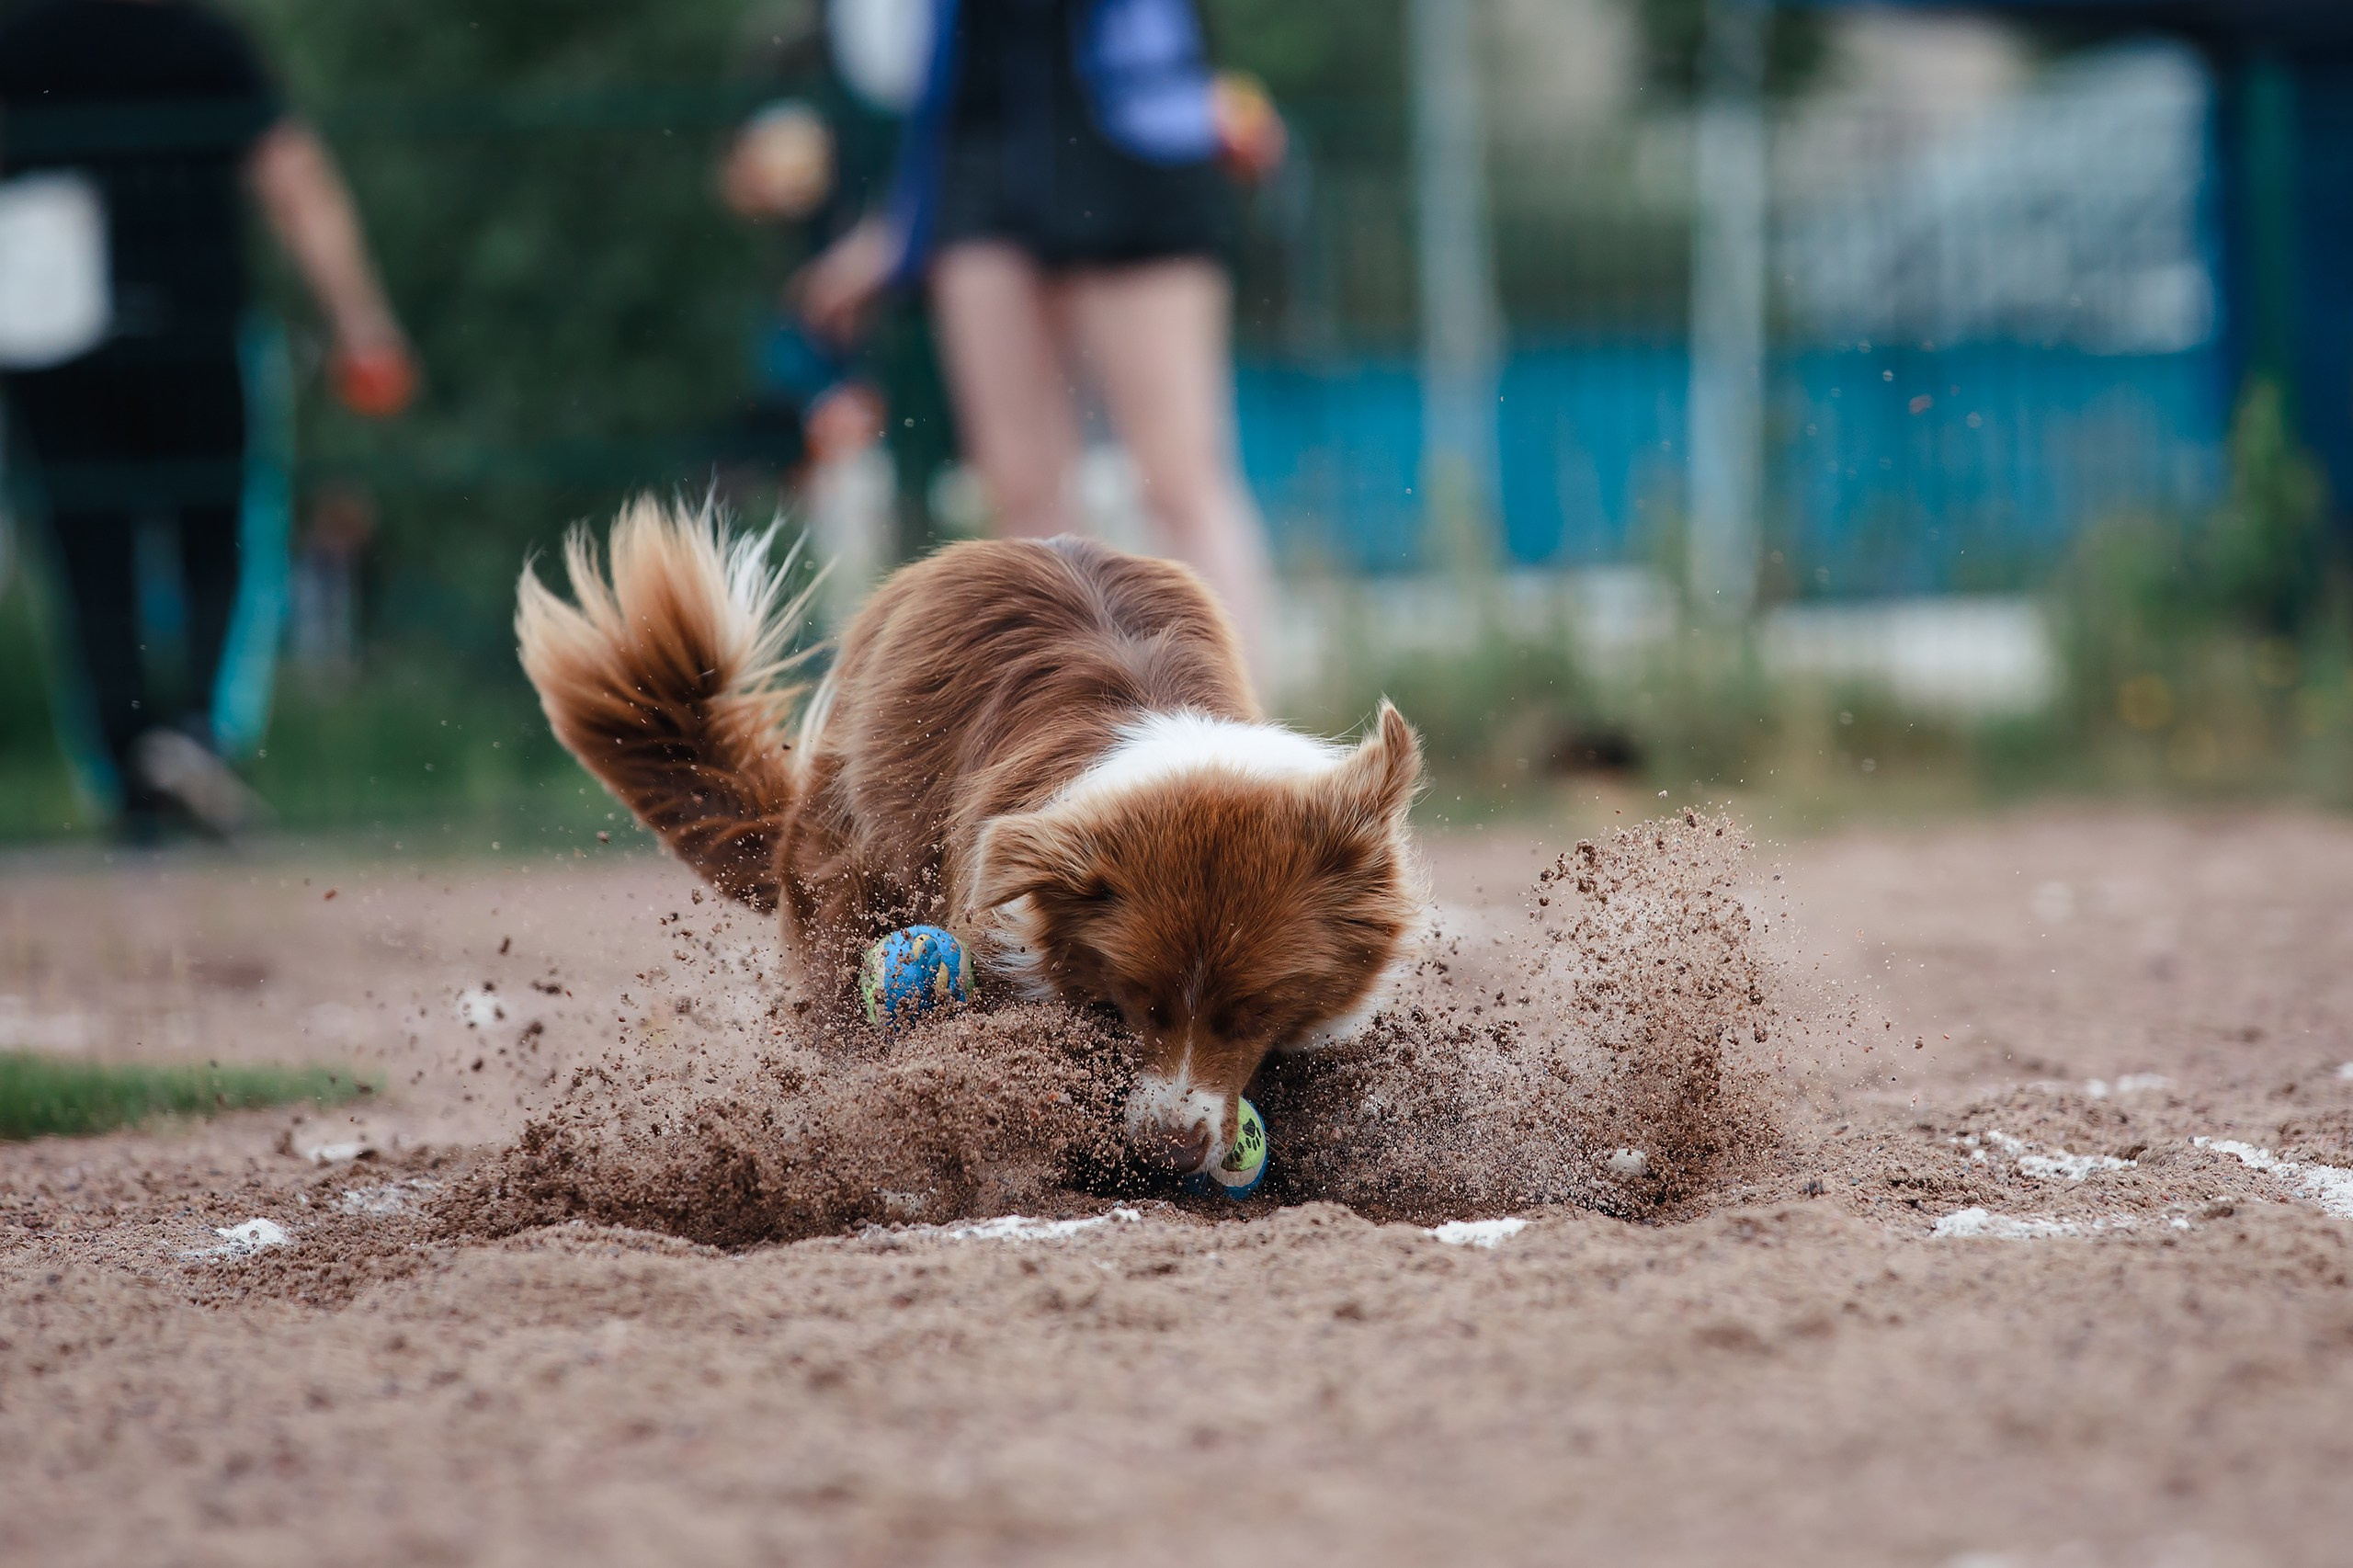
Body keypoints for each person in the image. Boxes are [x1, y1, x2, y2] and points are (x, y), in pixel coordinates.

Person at [0, 0, 415, 838]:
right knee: (221, 538)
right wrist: (360, 320)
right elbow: (294, 181)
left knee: (89, 559)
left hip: (53, 340)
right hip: (196, 326)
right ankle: (198, 735)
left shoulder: (19, 41)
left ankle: (125, 771)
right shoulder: (204, 40)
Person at [796, 0, 1286, 673]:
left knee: (1180, 485)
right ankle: (1072, 751)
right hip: (978, 150)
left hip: (1129, 129)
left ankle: (1245, 754)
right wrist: (899, 228)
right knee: (1025, 500)